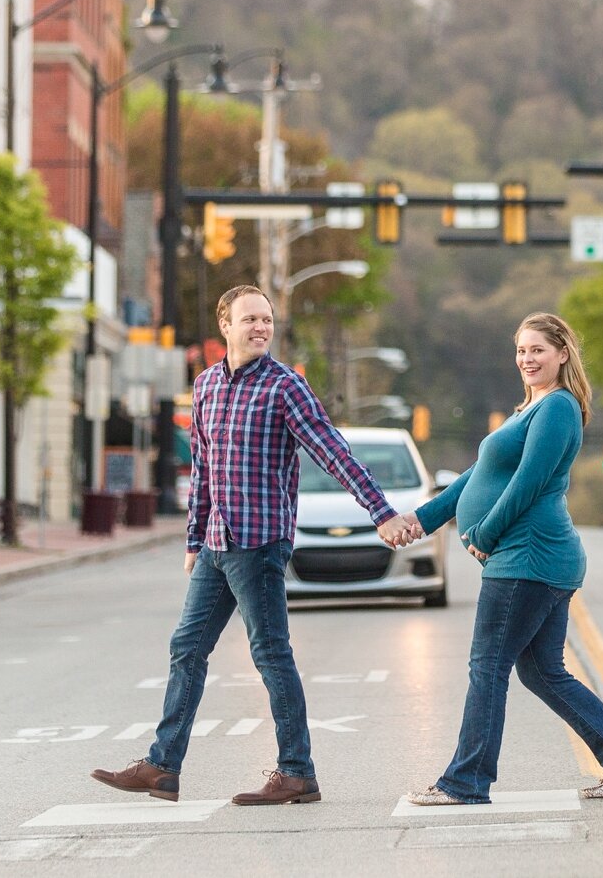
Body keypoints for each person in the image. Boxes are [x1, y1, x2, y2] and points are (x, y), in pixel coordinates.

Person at [91, 283, 415, 807]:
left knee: (270, 654)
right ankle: (162, 767)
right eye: (251, 320)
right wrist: (194, 538)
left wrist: (380, 511)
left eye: (267, 319)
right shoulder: (205, 388)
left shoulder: (286, 387)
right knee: (186, 649)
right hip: (216, 545)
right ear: (226, 326)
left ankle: (297, 771)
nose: (262, 327)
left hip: (260, 544)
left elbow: (333, 452)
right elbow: (203, 472)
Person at [391, 312, 603, 806]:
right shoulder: (527, 409)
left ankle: (466, 781)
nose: (527, 359)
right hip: (531, 559)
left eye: (537, 350)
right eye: (521, 351)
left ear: (562, 354)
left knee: (487, 666)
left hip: (528, 557)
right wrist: (421, 520)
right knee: (541, 671)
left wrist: (485, 533)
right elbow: (476, 478)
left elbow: (529, 483)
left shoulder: (558, 408)